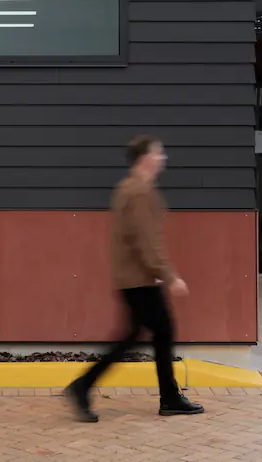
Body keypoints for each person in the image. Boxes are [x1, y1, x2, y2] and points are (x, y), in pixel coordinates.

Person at [65, 135, 204, 422]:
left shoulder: (130, 188)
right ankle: (168, 398)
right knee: (159, 331)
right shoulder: (139, 192)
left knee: (136, 335)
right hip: (139, 278)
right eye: (159, 153)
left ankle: (86, 387)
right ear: (145, 158)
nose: (163, 157)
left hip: (132, 277)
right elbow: (146, 241)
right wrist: (169, 276)